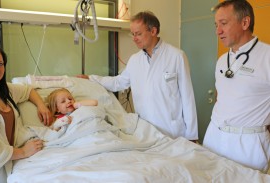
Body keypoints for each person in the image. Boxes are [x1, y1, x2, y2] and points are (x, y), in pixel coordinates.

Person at [77, 11, 198, 141]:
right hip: (146, 130)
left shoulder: (176, 56)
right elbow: (118, 82)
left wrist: (191, 135)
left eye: (138, 34)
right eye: (133, 34)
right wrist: (91, 78)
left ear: (153, 31)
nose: (134, 38)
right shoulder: (135, 60)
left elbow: (188, 97)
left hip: (172, 131)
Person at [0, 42, 53, 183]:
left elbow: (27, 90)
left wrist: (42, 106)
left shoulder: (3, 90)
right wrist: (23, 152)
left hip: (12, 164)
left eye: (0, 64)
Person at [203, 0, 270, 173]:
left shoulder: (267, 56)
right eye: (216, 25)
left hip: (248, 144)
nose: (218, 31)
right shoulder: (221, 61)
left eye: (224, 24)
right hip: (214, 137)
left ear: (245, 22)